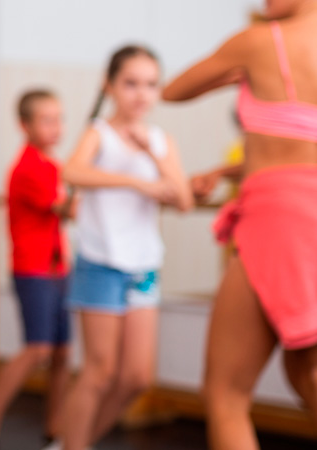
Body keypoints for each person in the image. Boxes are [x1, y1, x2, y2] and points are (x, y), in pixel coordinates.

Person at [162, 0, 317, 448]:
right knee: (303, 370)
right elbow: (296, 139)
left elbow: (174, 89)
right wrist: (227, 172)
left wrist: (237, 72)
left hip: (278, 218)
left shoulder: (258, 42)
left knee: (225, 393)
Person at [55, 45, 194, 450]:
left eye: (151, 84)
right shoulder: (98, 132)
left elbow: (183, 201)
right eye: (131, 83)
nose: (141, 94)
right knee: (99, 372)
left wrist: (150, 153)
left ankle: (71, 445)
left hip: (144, 265)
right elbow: (72, 170)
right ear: (110, 85)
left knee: (137, 379)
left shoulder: (161, 139)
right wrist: (137, 182)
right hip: (100, 263)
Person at [0, 90, 73, 450]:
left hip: (59, 268)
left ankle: (55, 429)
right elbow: (67, 209)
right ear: (24, 125)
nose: (55, 127)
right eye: (46, 120)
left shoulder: (52, 163)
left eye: (58, 118)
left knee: (62, 352)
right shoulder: (29, 167)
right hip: (34, 270)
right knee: (38, 350)